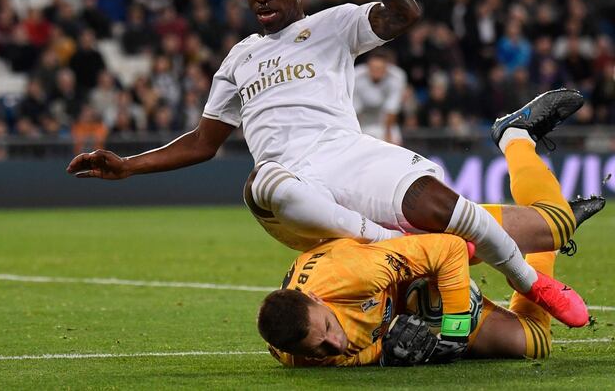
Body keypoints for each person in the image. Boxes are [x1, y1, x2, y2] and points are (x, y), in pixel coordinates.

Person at [67, 0, 586, 326]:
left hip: (346, 155)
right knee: (263, 181)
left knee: (448, 207)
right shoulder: (239, 57)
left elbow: (406, 13)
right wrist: (129, 165)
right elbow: (204, 142)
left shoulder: (334, 24)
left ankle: (530, 282)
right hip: (293, 184)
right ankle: (401, 246)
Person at [257, 132, 605, 366]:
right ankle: (544, 248)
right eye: (318, 350)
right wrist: (387, 354)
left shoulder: (354, 273)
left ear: (318, 299)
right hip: (404, 282)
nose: (335, 345)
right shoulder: (293, 349)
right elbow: (354, 351)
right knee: (535, 343)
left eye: (330, 330)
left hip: (413, 232)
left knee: (554, 224)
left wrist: (454, 332)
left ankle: (514, 135)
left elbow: (448, 249)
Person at [353, 49, 407, 144]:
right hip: (362, 121)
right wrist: (356, 133)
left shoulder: (397, 77)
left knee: (395, 144)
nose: (376, 72)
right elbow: (355, 109)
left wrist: (388, 134)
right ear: (368, 66)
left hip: (383, 121)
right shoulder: (356, 76)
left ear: (386, 67)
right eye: (373, 68)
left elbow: (392, 109)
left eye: (380, 68)